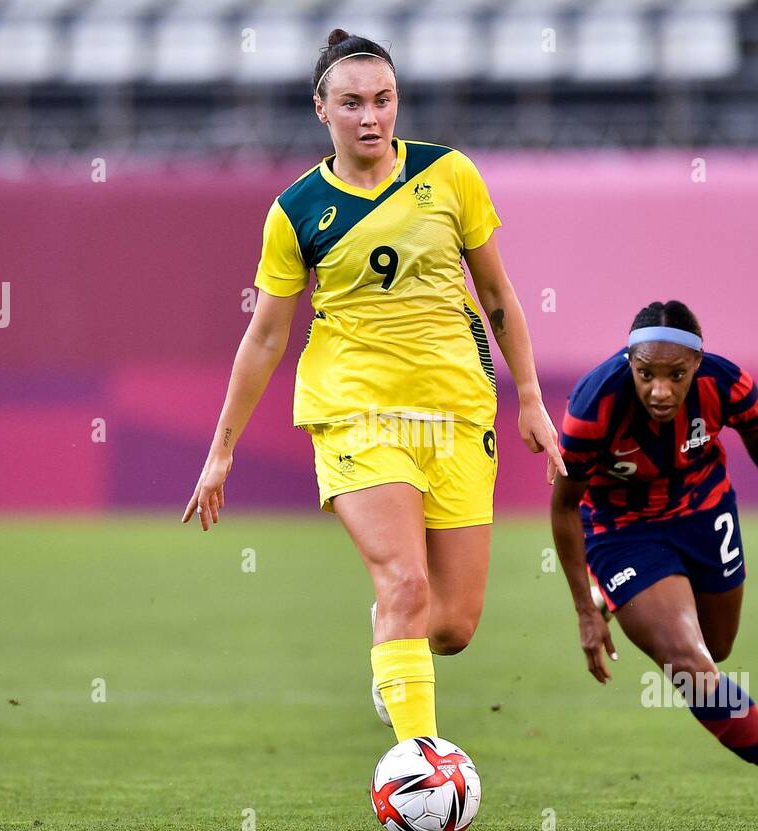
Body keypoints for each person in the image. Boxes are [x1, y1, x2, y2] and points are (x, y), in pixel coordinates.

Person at [184, 29, 564, 746]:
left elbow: (497, 293)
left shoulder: (450, 175)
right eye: (352, 102)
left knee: (450, 627)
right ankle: (422, 769)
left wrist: (533, 398)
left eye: (384, 100)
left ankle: (390, 635)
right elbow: (265, 337)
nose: (371, 117)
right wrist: (221, 450)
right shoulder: (296, 211)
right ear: (321, 110)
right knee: (407, 587)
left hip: (455, 415)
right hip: (357, 415)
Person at [550, 300, 758, 815]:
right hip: (623, 531)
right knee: (692, 667)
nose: (660, 390)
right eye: (646, 373)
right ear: (630, 362)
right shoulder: (592, 407)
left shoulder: (726, 382)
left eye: (675, 375)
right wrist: (583, 608)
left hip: (704, 509)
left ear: (697, 364)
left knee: (718, 646)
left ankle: (622, 597)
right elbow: (562, 507)